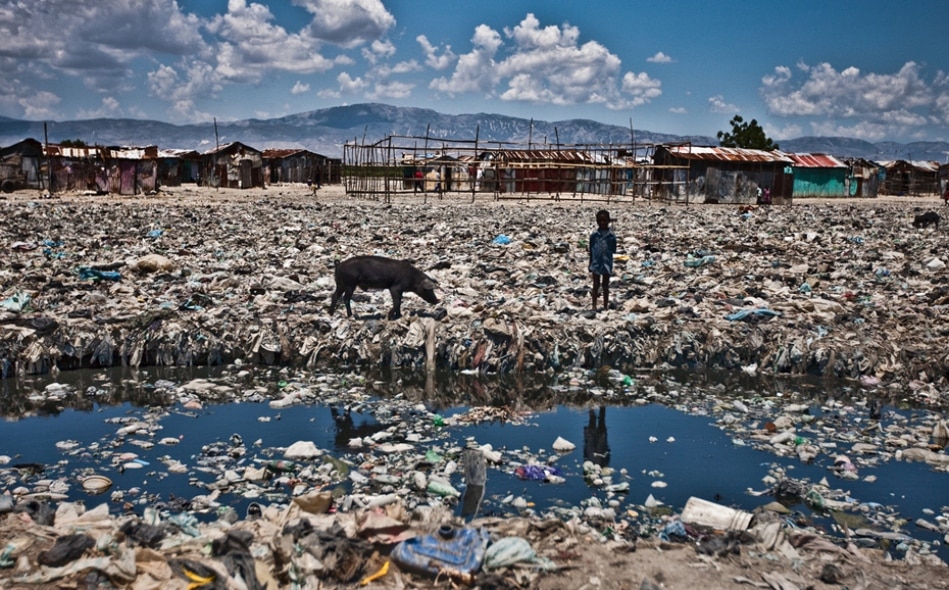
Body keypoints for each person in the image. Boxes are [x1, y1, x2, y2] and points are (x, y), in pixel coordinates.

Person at [588, 209, 617, 311]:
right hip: (596, 263)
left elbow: (613, 249)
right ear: (597, 221)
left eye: (604, 220)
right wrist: (590, 263)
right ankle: (594, 305)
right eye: (600, 221)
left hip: (607, 263)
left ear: (608, 221)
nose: (602, 223)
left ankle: (605, 306)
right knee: (595, 285)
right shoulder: (594, 235)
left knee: (605, 285)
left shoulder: (611, 236)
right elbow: (591, 250)